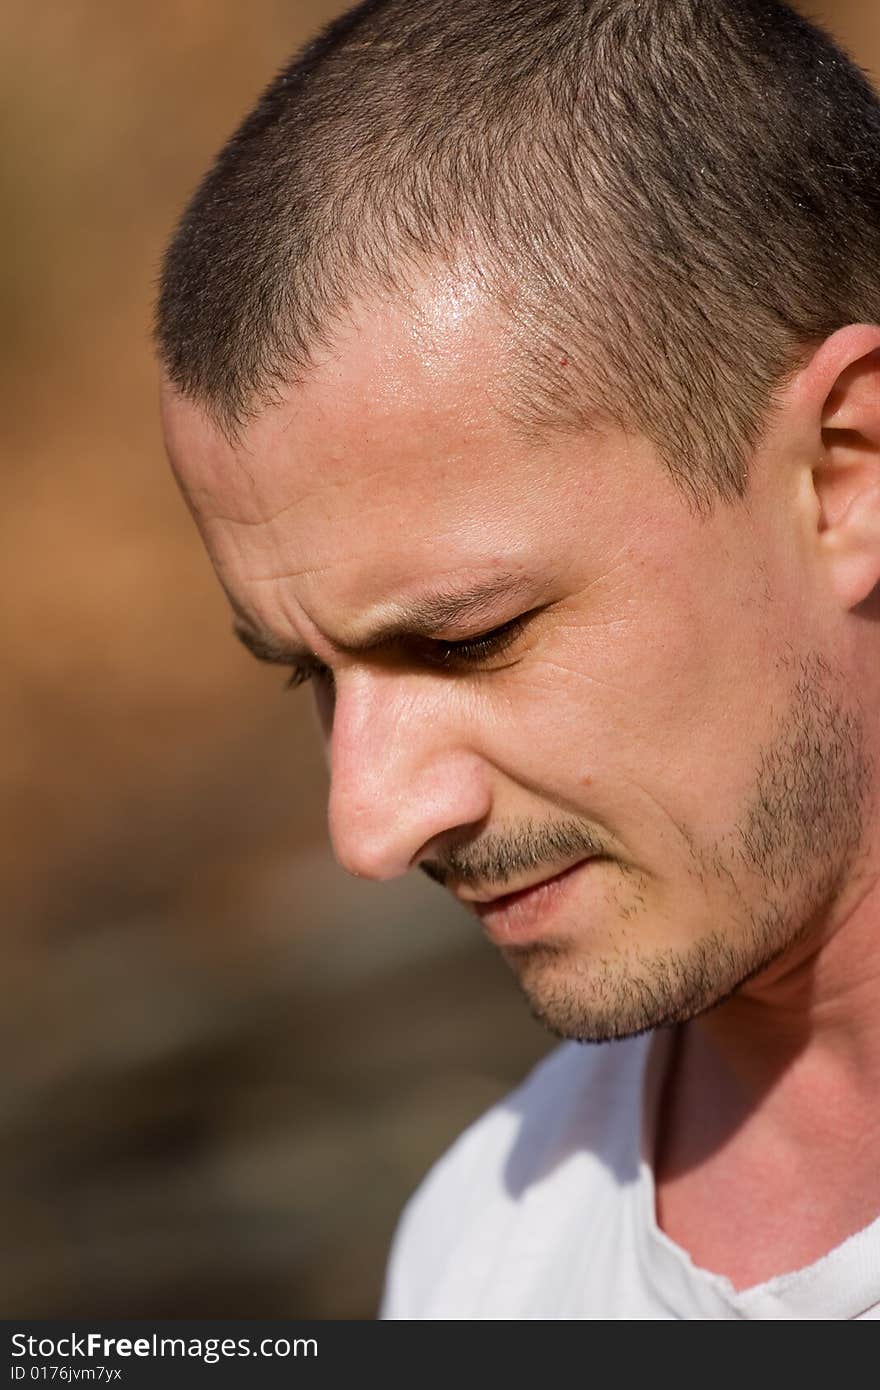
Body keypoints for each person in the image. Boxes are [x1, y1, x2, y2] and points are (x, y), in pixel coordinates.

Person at [154, 0, 880, 1318]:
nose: (370, 826)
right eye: (309, 676)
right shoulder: (479, 1258)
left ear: (846, 474)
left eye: (467, 636)